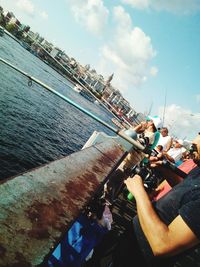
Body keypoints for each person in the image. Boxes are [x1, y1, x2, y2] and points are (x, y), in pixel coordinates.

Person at [111, 134, 200, 267]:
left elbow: (163, 244)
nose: (194, 141)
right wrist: (163, 168)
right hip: (128, 248)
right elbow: (187, 191)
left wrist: (139, 192)